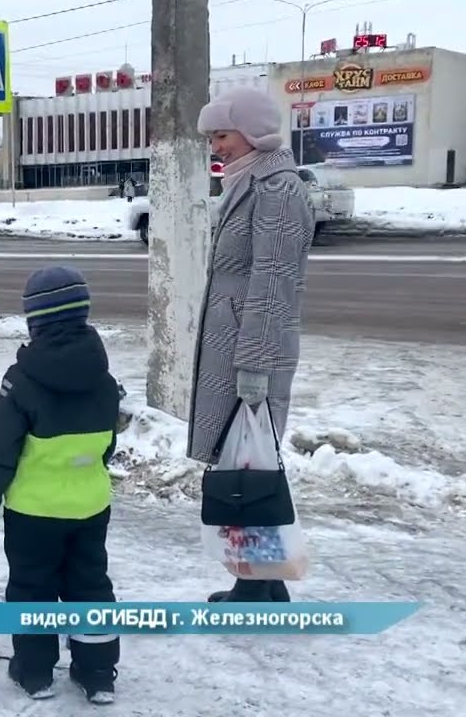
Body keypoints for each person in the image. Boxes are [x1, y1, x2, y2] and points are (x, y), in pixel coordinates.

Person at [0, 266, 123, 705]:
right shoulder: (105, 381)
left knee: (32, 587)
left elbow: (1, 447)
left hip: (33, 512)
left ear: (33, 321)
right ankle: (97, 674)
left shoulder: (20, 382)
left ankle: (35, 671)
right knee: (91, 585)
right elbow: (107, 446)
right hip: (91, 507)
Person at [189, 86, 314, 603]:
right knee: (243, 467)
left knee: (251, 469)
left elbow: (274, 283)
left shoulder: (278, 190)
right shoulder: (247, 183)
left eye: (221, 135)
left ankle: (260, 585)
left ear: (253, 131)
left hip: (251, 356)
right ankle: (257, 581)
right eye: (212, 138)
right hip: (234, 350)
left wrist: (255, 370)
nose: (215, 147)